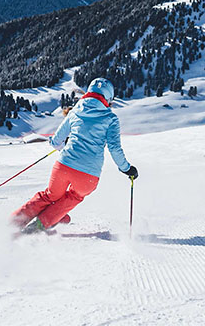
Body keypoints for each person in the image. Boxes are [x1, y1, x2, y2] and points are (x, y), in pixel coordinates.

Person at [12, 77, 137, 233]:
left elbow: (56, 141)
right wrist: (127, 169)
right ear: (109, 98)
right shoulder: (111, 118)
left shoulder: (75, 111)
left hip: (64, 165)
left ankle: (15, 222)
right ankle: (45, 222)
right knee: (74, 196)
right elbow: (114, 148)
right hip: (89, 174)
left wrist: (66, 145)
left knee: (49, 195)